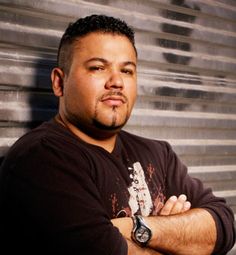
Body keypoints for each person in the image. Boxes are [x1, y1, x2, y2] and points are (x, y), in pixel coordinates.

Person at [0, 14, 235, 255]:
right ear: (59, 82)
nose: (117, 82)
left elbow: (223, 224)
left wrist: (137, 227)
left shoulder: (158, 153)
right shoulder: (41, 158)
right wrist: (181, 240)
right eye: (98, 68)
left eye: (127, 71)